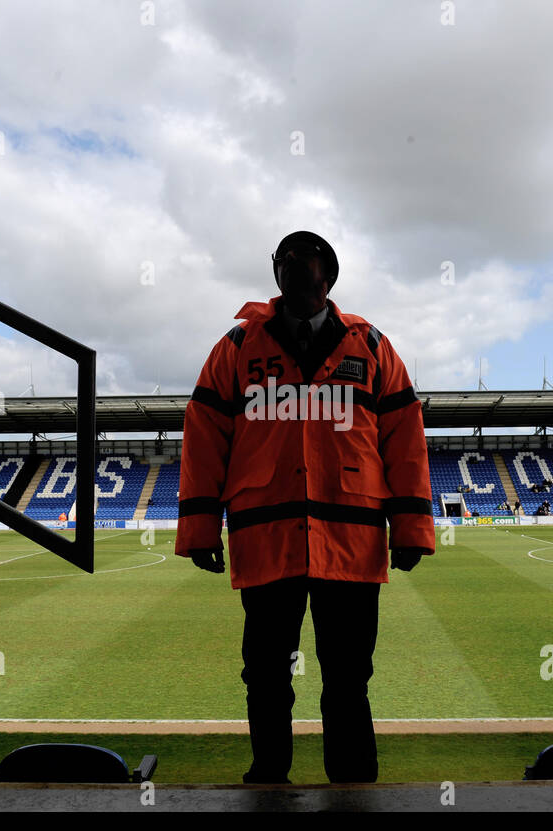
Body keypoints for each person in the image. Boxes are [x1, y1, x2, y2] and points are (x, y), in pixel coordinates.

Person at [176, 230, 435, 784]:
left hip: (352, 544)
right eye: (284, 262)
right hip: (267, 541)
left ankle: (353, 784)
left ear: (329, 276)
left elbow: (404, 435)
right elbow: (204, 433)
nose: (293, 270)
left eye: (306, 261)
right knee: (266, 675)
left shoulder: (371, 346)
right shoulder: (237, 347)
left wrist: (413, 528)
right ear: (275, 275)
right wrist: (199, 529)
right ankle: (268, 779)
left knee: (348, 676)